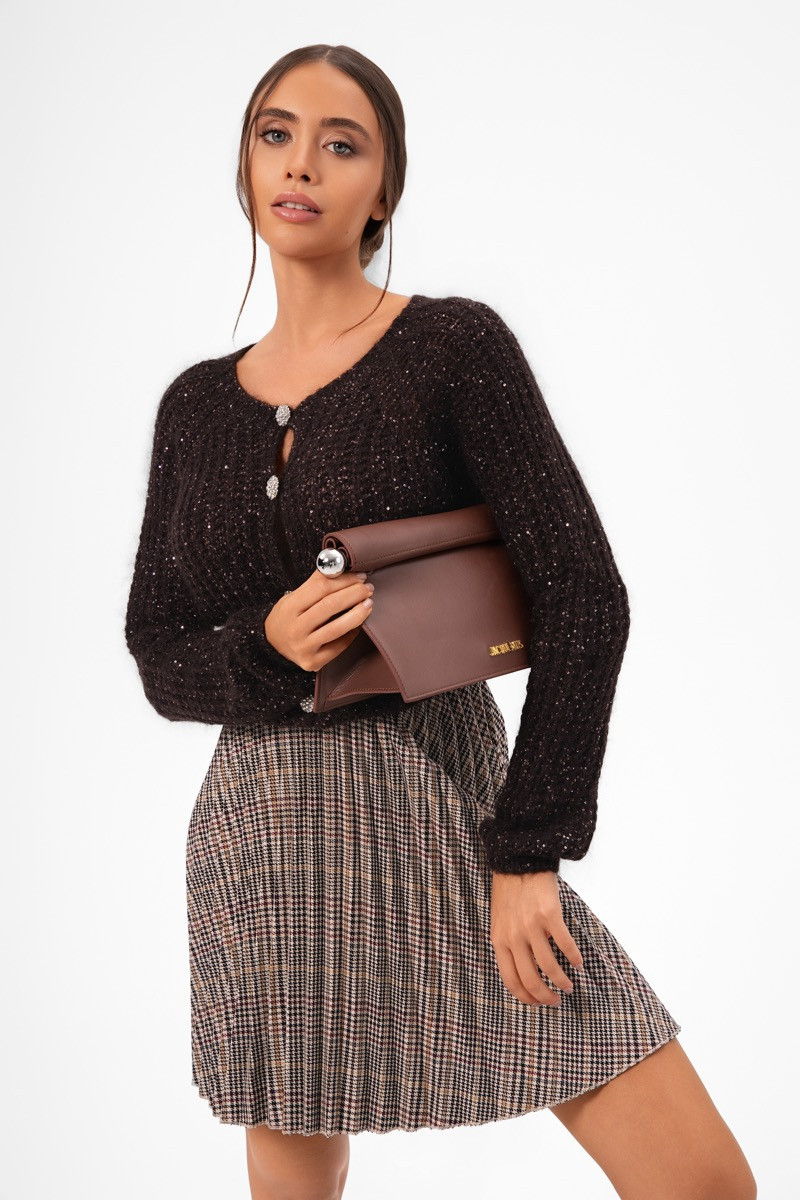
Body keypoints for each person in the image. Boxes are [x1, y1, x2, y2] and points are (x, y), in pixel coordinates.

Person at [124, 43, 757, 1200]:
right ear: (244, 164)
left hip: (443, 801)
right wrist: (266, 649)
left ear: (384, 189)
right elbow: (159, 653)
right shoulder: (196, 407)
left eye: (340, 143)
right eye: (274, 134)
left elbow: (582, 596)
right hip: (261, 839)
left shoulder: (451, 348)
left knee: (699, 1182)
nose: (299, 164)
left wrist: (528, 850)